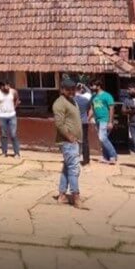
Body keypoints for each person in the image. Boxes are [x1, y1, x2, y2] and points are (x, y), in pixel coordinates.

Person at [53, 78, 85, 208]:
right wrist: (70, 137)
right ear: (62, 89)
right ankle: (76, 196)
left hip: (75, 140)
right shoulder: (59, 104)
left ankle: (62, 195)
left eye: (73, 89)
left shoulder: (73, 101)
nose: (72, 91)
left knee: (67, 168)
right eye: (68, 89)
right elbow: (59, 124)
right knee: (74, 168)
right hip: (67, 142)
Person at [0, 80, 21, 158]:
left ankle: (17, 153)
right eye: (5, 86)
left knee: (13, 134)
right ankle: (4, 152)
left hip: (12, 115)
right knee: (3, 134)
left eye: (8, 85)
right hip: (2, 116)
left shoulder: (13, 92)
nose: (7, 87)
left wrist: (14, 107)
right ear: (1, 87)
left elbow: (17, 100)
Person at [89, 80, 118, 164]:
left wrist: (110, 122)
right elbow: (92, 109)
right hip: (97, 120)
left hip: (105, 120)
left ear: (98, 86)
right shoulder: (93, 97)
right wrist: (88, 119)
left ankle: (113, 156)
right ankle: (106, 157)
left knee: (102, 138)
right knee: (103, 139)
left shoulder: (107, 96)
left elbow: (112, 109)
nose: (91, 87)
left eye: (93, 85)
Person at [74, 83, 93, 165]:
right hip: (84, 122)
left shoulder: (72, 100)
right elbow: (91, 110)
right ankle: (86, 159)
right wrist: (87, 118)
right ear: (81, 90)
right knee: (85, 141)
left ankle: (75, 158)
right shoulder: (86, 100)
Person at [122, 82, 135, 153]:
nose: (128, 91)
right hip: (133, 124)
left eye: (129, 89)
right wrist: (131, 110)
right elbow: (123, 111)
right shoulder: (127, 100)